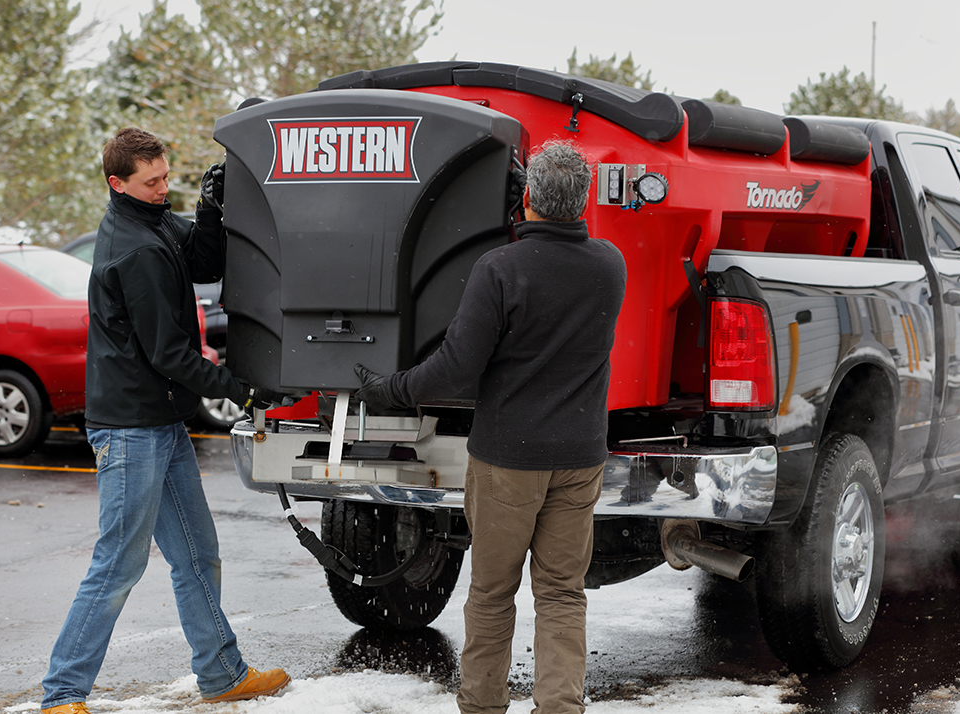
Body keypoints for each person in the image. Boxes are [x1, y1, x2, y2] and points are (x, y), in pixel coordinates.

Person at [354, 140, 626, 714]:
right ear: (582, 204)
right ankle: (560, 707)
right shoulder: (610, 265)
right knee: (561, 594)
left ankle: (481, 705)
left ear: (526, 198)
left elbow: (457, 367)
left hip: (508, 459)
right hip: (579, 458)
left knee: (492, 592)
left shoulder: (500, 269)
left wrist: (390, 390)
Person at [40, 128, 292, 714]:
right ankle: (62, 694)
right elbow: (169, 355)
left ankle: (221, 673)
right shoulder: (137, 249)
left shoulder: (152, 221)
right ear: (116, 183)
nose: (162, 189)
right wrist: (241, 389)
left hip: (157, 422)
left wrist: (210, 206)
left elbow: (204, 258)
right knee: (119, 564)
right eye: (151, 182)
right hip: (130, 431)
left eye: (167, 177)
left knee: (197, 552)